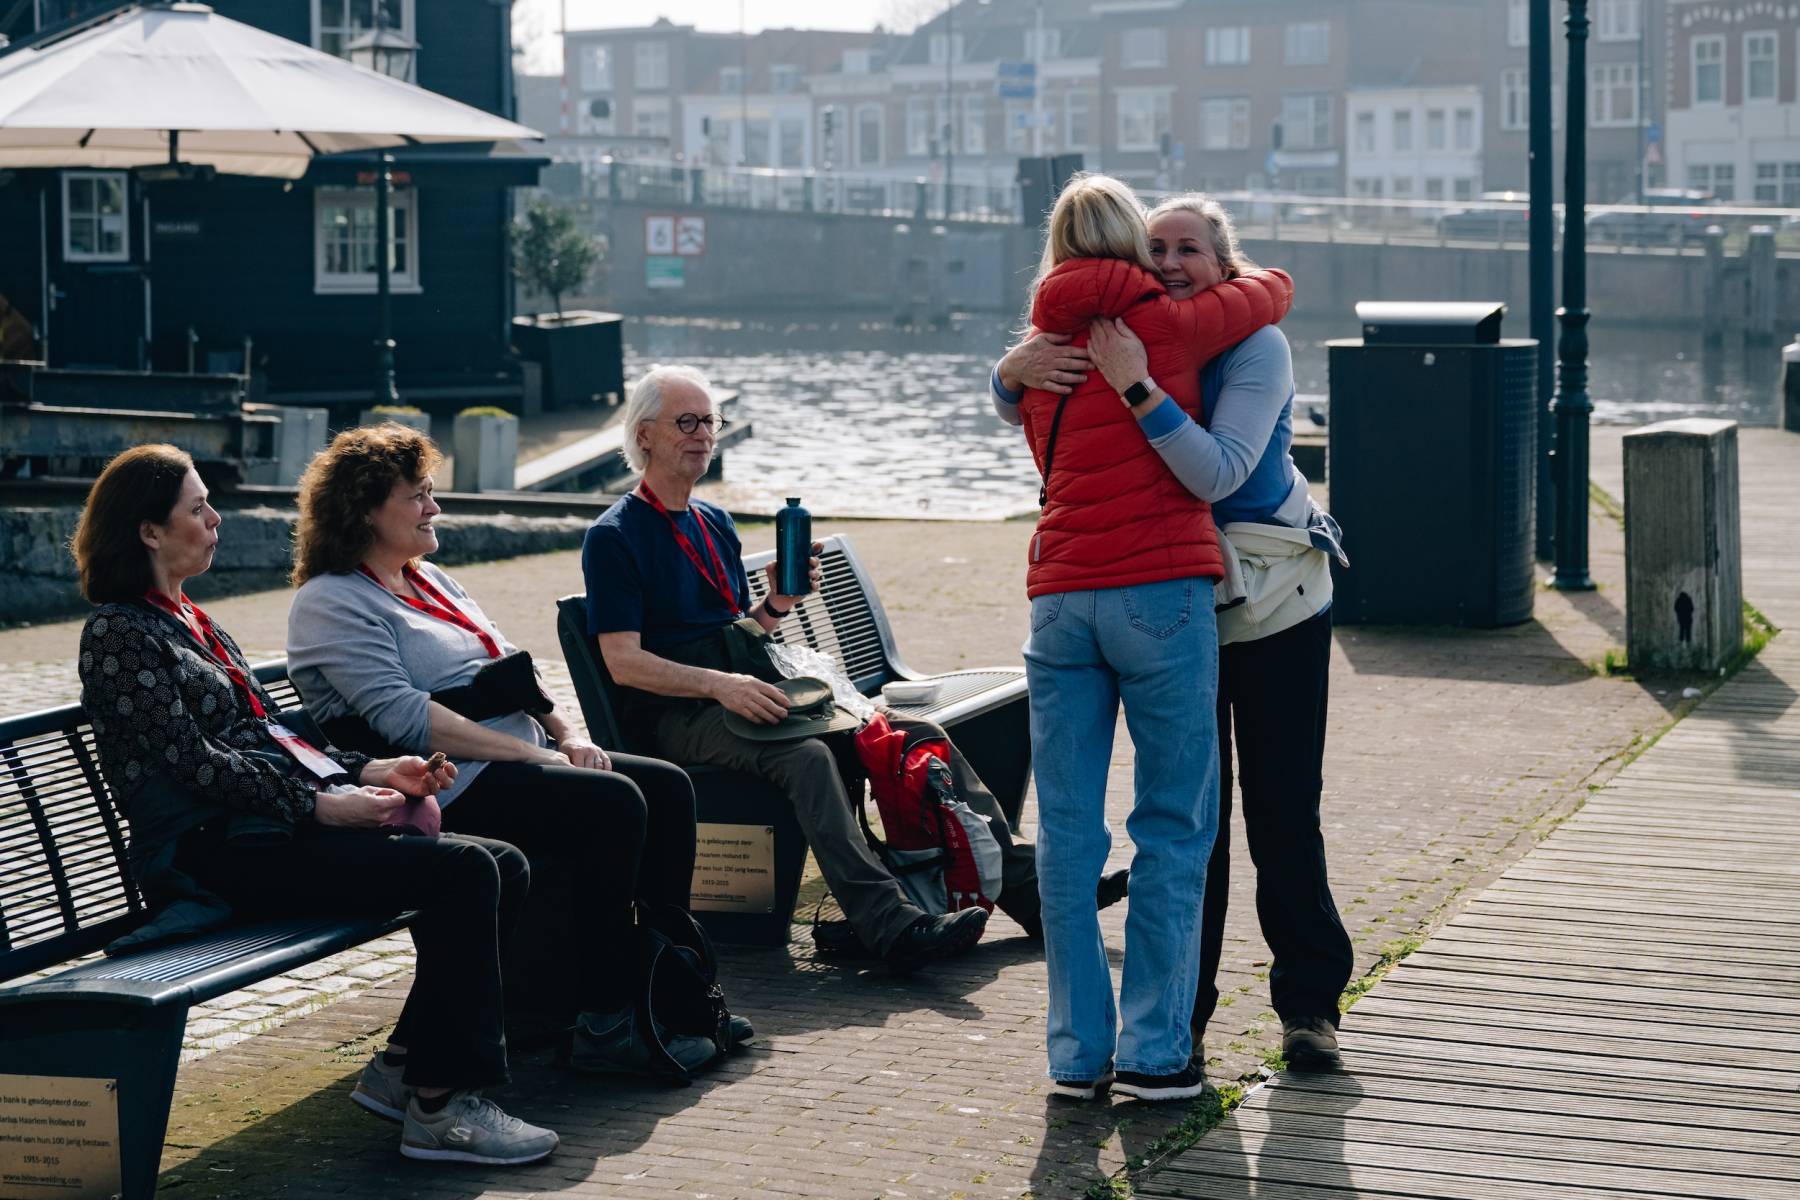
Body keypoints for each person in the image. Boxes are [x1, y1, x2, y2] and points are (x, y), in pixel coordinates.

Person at [73, 445, 558, 1166]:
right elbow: (191, 762)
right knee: (463, 873)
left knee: (501, 863)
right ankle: (441, 1105)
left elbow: (273, 734)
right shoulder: (119, 633)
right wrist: (317, 807)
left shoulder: (191, 621)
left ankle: (407, 1064)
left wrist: (371, 769)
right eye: (198, 508)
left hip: (260, 833)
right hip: (208, 856)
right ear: (148, 531)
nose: (215, 519)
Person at [581, 365, 1123, 974]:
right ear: (644, 434)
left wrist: (776, 605)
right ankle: (891, 925)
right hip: (678, 715)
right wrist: (722, 686)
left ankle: (1030, 891)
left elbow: (738, 637)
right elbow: (623, 662)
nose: (704, 434)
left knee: (913, 732)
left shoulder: (714, 522)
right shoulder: (615, 536)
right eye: (686, 422)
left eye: (710, 421)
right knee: (808, 758)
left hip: (740, 699)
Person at [994, 191, 1353, 1071]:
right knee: (1197, 822)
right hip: (1176, 601)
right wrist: (1011, 370)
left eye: (1189, 248)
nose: (1169, 263)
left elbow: (1221, 471)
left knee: (1281, 811)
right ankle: (1179, 1024)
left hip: (1272, 605)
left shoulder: (1252, 345)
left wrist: (1136, 386)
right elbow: (1029, 399)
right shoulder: (1131, 330)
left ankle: (1308, 1005)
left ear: (1224, 264)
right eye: (1155, 247)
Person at [284, 424, 737, 1081]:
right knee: (613, 805)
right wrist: (530, 757)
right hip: (446, 784)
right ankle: (607, 1019)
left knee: (666, 788)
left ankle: (670, 991)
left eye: (431, 492)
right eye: (418, 496)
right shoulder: (331, 601)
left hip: (510, 762)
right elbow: (403, 718)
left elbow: (515, 670)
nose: (435, 507)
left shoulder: (430, 580)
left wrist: (568, 736)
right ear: (365, 511)